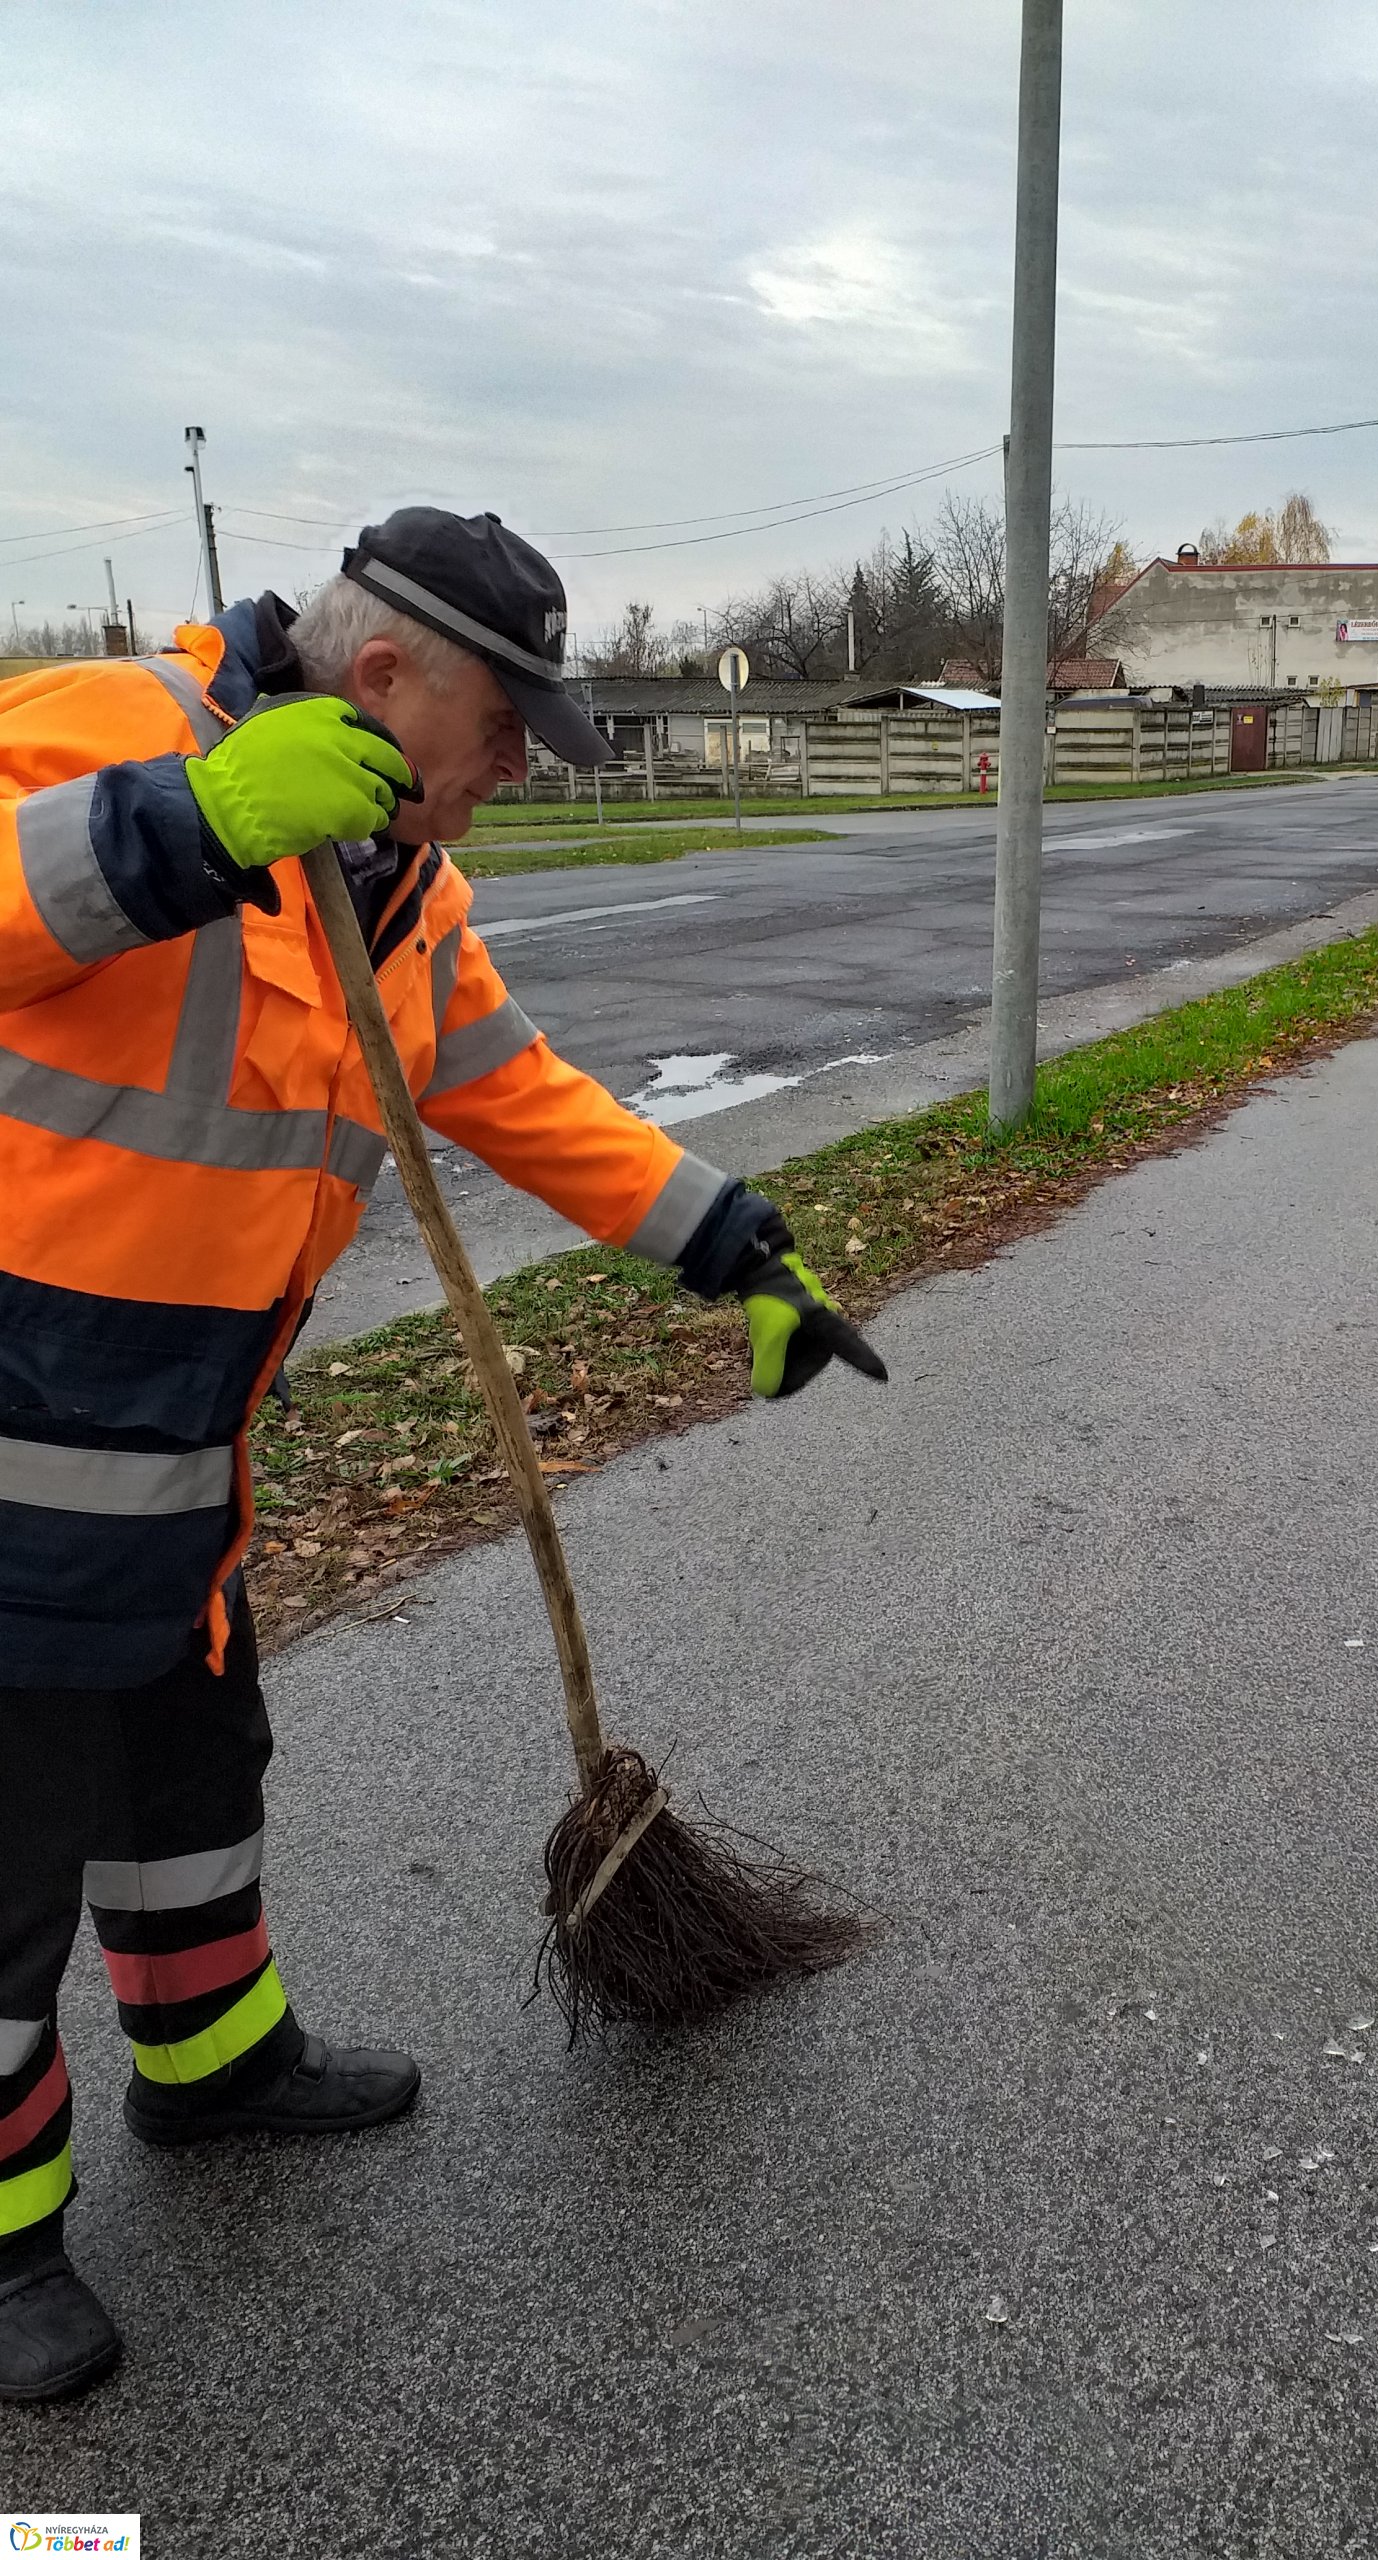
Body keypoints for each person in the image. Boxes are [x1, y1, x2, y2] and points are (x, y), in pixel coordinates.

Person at [0, 508, 885, 2401]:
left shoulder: (396, 888)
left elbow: (513, 1088)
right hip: (5, 1471)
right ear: (386, 680)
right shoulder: (106, 733)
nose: (501, 784)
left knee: (189, 1778)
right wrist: (193, 822)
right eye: (498, 737)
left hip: (175, 1465)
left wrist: (727, 1241)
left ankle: (213, 2065)